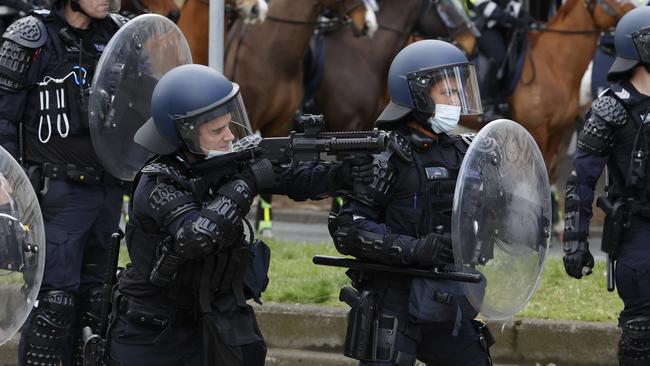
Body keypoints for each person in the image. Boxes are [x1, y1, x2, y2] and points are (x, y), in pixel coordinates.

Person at [108, 63, 373, 366]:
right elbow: (195, 236)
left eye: (230, 126)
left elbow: (292, 176)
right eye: (217, 130)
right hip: (156, 330)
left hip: (218, 314)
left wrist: (341, 175)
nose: (229, 137)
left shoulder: (225, 161)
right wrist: (245, 184)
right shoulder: (158, 181)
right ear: (185, 133)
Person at [328, 39, 493, 366]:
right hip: (394, 302)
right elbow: (348, 229)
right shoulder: (386, 156)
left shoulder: (462, 152)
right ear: (417, 94)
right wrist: (412, 249)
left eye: (460, 93)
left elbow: (482, 212)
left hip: (447, 297)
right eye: (447, 93)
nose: (456, 102)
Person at [0, 0, 128, 364]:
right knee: (53, 304)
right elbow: (3, 116)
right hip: (55, 196)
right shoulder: (31, 37)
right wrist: (3, 177)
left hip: (107, 192)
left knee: (98, 304)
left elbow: (142, 99)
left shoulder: (119, 34)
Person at [562, 6, 650, 366]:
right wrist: (574, 241)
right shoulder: (611, 108)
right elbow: (580, 182)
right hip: (638, 234)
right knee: (641, 333)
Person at [470, 0, 534, 121]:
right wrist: (513, 20)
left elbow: (516, 9)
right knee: (498, 57)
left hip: (506, 33)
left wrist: (530, 21)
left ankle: (505, 101)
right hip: (486, 31)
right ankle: (487, 105)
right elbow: (489, 9)